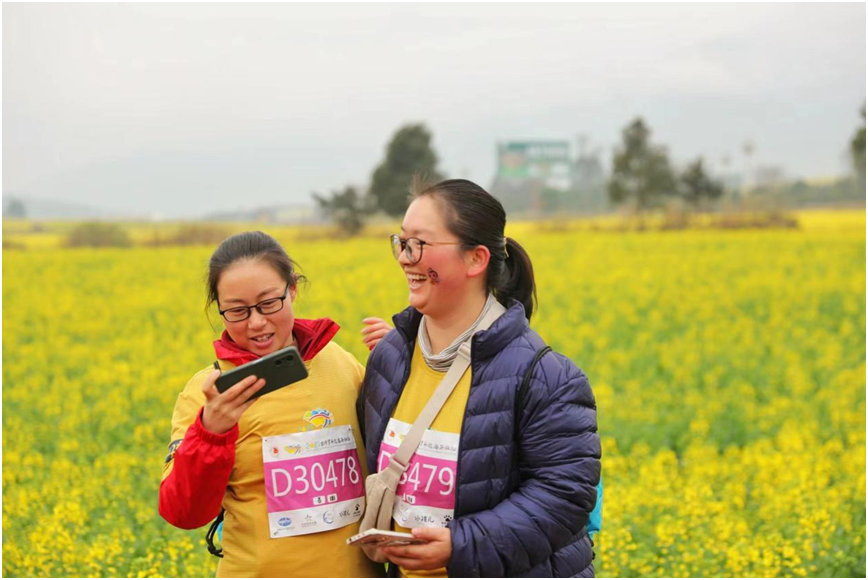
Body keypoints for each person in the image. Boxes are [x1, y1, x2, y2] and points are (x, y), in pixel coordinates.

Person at [358, 179, 601, 577]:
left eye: (419, 243)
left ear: (475, 260)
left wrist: (460, 545)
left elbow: (564, 497)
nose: (404, 257)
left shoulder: (544, 376)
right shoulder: (389, 359)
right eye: (400, 242)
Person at [159, 231, 379, 578]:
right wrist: (211, 434)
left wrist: (402, 359)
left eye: (268, 303)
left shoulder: (340, 363)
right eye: (237, 311)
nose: (257, 322)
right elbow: (184, 513)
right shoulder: (207, 394)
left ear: (292, 288)